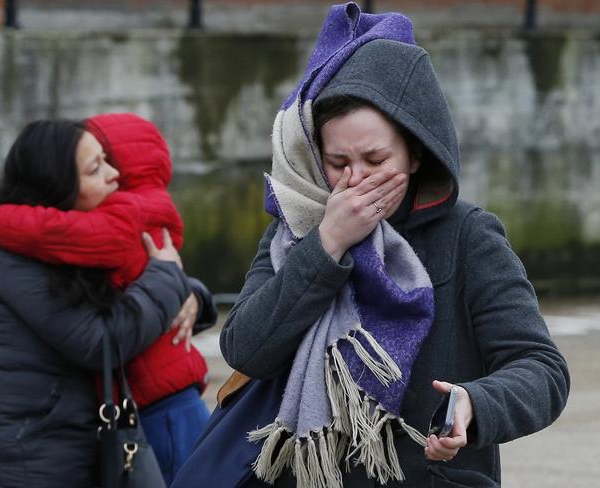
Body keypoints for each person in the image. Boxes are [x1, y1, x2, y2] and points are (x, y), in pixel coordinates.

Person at [184, 4, 569, 488]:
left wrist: (476, 403)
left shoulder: (467, 235)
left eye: (375, 158)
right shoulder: (296, 228)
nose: (355, 178)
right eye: (336, 161)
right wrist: (326, 246)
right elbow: (245, 349)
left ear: (414, 154)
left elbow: (542, 371)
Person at [0, 113, 218, 486]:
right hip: (20, 453)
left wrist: (191, 291)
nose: (114, 176)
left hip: (55, 436)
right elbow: (101, 341)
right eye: (96, 168)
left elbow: (126, 274)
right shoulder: (21, 256)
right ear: (59, 185)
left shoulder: (65, 238)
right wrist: (168, 279)